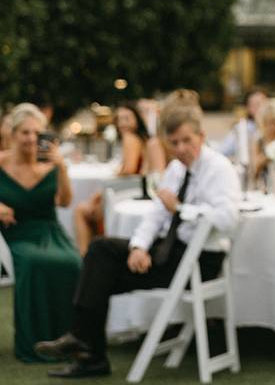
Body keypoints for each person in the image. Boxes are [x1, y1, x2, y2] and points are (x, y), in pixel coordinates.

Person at [35, 103, 241, 377]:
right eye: (174, 142)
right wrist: (138, 248)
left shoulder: (219, 168)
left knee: (100, 274)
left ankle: (88, 352)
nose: (180, 149)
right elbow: (155, 215)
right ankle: (86, 346)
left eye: (186, 141)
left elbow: (228, 219)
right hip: (169, 251)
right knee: (99, 251)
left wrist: (181, 209)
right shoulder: (176, 169)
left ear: (201, 137)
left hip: (200, 261)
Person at [0, 103, 80, 363]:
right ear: (13, 134)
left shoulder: (51, 165)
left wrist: (62, 168)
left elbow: (66, 202)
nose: (32, 138)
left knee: (73, 263)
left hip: (49, 231)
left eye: (37, 133)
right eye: (25, 132)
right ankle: (34, 342)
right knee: (34, 263)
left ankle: (70, 339)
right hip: (17, 233)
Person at [73, 102, 151, 256]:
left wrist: (108, 185)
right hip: (130, 191)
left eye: (127, 118)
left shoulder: (130, 138)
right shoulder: (141, 139)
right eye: (120, 119)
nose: (123, 123)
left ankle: (84, 258)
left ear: (137, 120)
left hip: (123, 193)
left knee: (81, 211)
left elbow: (129, 170)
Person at [218, 87, 267, 162]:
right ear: (248, 108)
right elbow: (223, 150)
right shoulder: (242, 129)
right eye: (254, 105)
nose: (259, 108)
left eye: (261, 103)